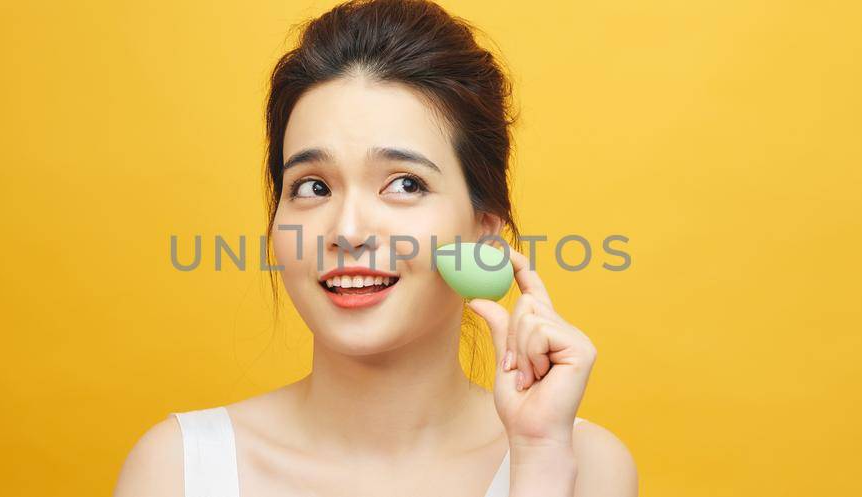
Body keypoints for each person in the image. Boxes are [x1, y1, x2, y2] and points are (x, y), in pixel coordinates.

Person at [115, 1, 636, 495]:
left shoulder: (581, 465)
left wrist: (540, 459)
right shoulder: (177, 469)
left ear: (484, 229)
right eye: (314, 187)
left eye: (405, 184)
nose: (347, 229)